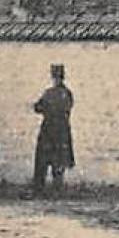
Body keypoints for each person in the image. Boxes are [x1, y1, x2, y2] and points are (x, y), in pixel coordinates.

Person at [31, 64, 75, 194]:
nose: (56, 80)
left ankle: (40, 188)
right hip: (61, 130)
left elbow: (38, 107)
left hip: (49, 129)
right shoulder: (66, 93)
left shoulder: (50, 93)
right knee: (58, 160)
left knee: (44, 160)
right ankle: (55, 188)